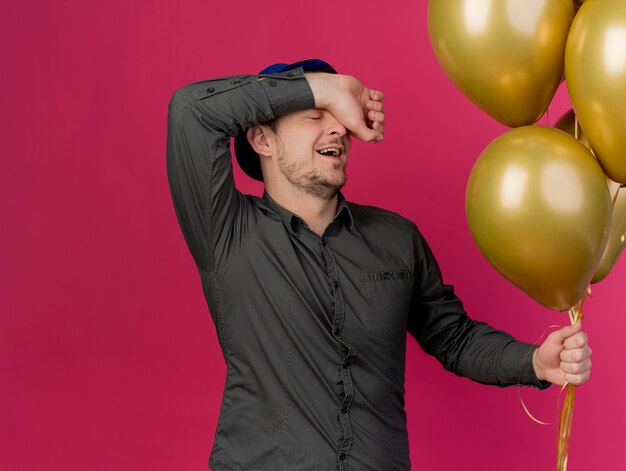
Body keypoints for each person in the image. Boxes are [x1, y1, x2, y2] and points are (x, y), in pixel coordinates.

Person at [166, 59, 592, 471]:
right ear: (262, 140)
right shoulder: (227, 232)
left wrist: (534, 362)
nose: (338, 127)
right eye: (315, 116)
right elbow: (190, 112)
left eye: (338, 117)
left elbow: (454, 338)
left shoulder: (396, 239)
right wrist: (330, 87)